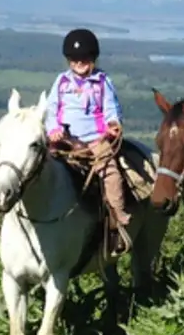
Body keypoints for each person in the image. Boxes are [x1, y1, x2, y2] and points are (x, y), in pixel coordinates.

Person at [44, 28, 132, 253]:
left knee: (110, 173)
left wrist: (113, 125)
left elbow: (112, 108)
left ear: (93, 58)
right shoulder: (61, 82)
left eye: (84, 59)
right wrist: (53, 128)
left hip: (95, 139)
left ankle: (118, 221)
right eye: (74, 60)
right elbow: (52, 109)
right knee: (36, 165)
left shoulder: (102, 82)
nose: (79, 63)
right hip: (65, 138)